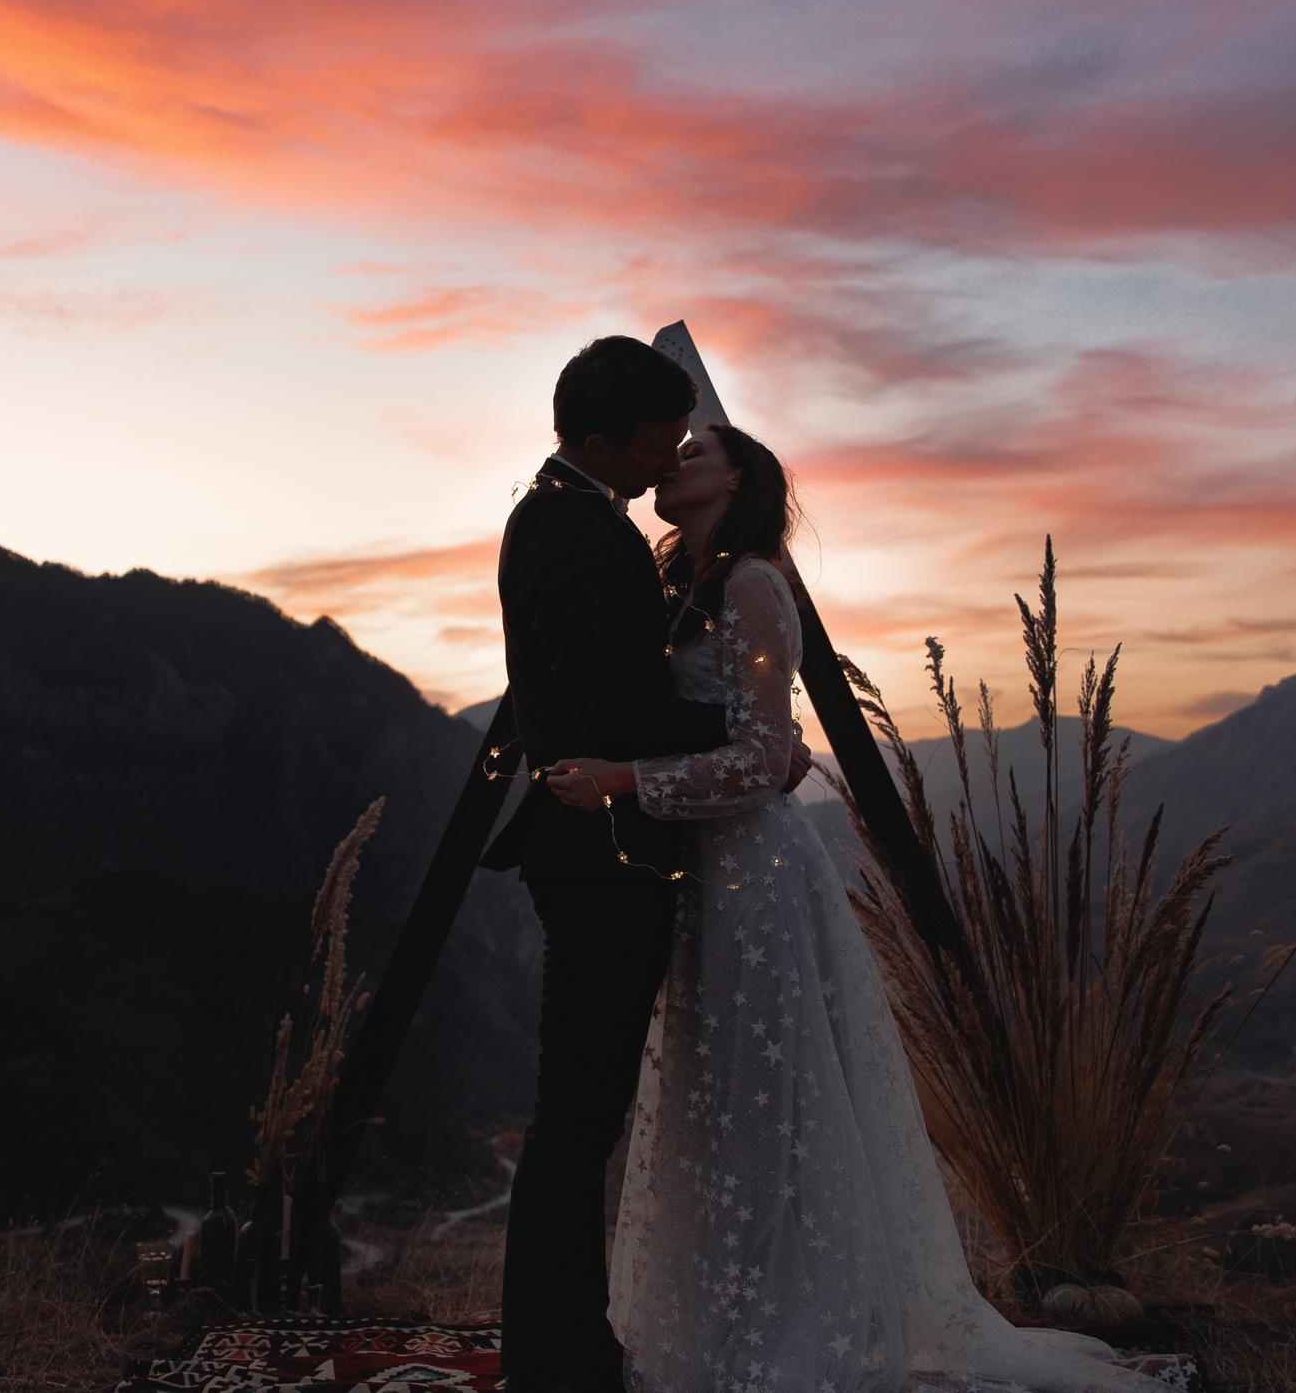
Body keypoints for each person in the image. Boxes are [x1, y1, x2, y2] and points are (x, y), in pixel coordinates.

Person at [546, 423, 1190, 1393]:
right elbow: (759, 739)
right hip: (703, 876)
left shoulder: (753, 583)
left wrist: (624, 779)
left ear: (741, 478)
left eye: (695, 451)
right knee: (715, 1106)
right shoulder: (688, 587)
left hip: (753, 879)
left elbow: (764, 760)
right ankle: (728, 1321)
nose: (673, 459)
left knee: (772, 1107)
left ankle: (797, 1333)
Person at [482, 336, 813, 1393]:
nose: (672, 452)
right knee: (580, 1116)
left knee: (588, 1115)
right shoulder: (572, 530)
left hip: (617, 844)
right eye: (660, 437)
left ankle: (570, 1349)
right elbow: (608, 701)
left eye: (687, 440)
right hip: (598, 855)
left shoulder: (590, 523)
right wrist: (753, 737)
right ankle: (559, 1360)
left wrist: (740, 740)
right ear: (600, 439)